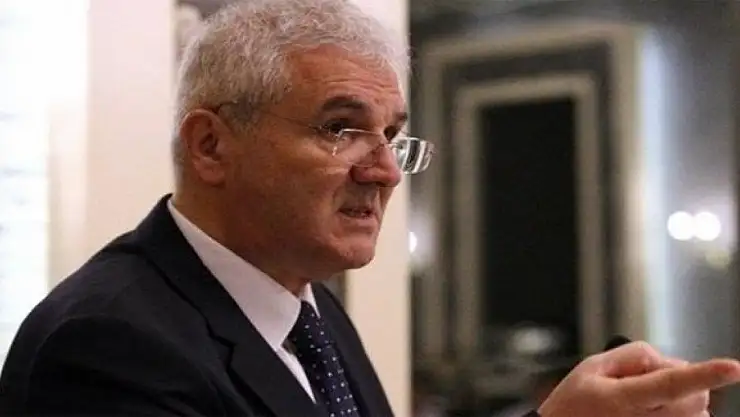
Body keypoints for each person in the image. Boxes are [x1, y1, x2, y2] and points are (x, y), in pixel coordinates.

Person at [0, 0, 738, 416]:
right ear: (211, 146)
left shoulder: (311, 310)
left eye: (392, 136)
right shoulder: (106, 345)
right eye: (340, 129)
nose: (384, 171)